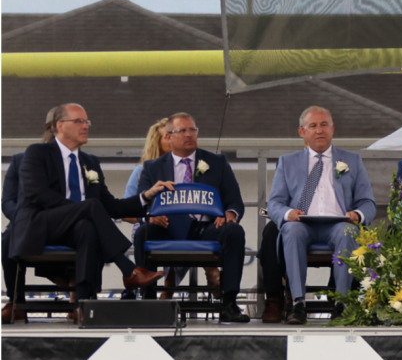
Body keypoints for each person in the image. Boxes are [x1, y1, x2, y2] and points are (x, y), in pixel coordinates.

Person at [8, 104, 170, 317]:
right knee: (91, 208)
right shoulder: (37, 153)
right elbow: (36, 194)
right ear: (60, 126)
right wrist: (82, 208)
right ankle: (128, 269)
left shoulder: (90, 162)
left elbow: (111, 206)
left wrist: (146, 196)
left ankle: (82, 304)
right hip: (41, 224)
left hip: (76, 228)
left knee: (87, 226)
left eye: (87, 122)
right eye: (79, 122)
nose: (86, 126)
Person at [135, 112, 250, 323]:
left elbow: (235, 201)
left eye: (193, 130)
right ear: (168, 137)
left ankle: (229, 303)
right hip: (168, 228)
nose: (190, 135)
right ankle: (148, 303)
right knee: (143, 232)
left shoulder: (216, 162)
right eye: (183, 131)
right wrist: (149, 217)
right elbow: (140, 202)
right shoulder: (153, 167)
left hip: (207, 229)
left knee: (234, 231)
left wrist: (229, 214)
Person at [268, 106, 376, 325]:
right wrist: (289, 214)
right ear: (302, 132)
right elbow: (274, 203)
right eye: (313, 126)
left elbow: (368, 202)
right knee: (292, 230)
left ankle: (341, 303)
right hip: (302, 223)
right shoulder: (287, 162)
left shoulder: (352, 160)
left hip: (337, 223)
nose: (319, 130)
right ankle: (298, 303)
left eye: (324, 125)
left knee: (348, 231)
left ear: (333, 129)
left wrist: (356, 214)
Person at [124, 118, 221, 300]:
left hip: (189, 225)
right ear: (158, 142)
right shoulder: (142, 171)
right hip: (153, 224)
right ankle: (208, 271)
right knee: (155, 230)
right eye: (167, 137)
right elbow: (128, 210)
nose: (174, 139)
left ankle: (169, 286)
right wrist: (147, 217)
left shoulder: (189, 169)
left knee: (186, 224)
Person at [2, 107, 60, 323]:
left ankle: (81, 300)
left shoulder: (74, 161)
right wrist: (24, 219)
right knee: (8, 237)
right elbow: (7, 201)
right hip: (26, 223)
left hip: (60, 223)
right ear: (50, 127)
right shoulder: (20, 160)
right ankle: (16, 301)